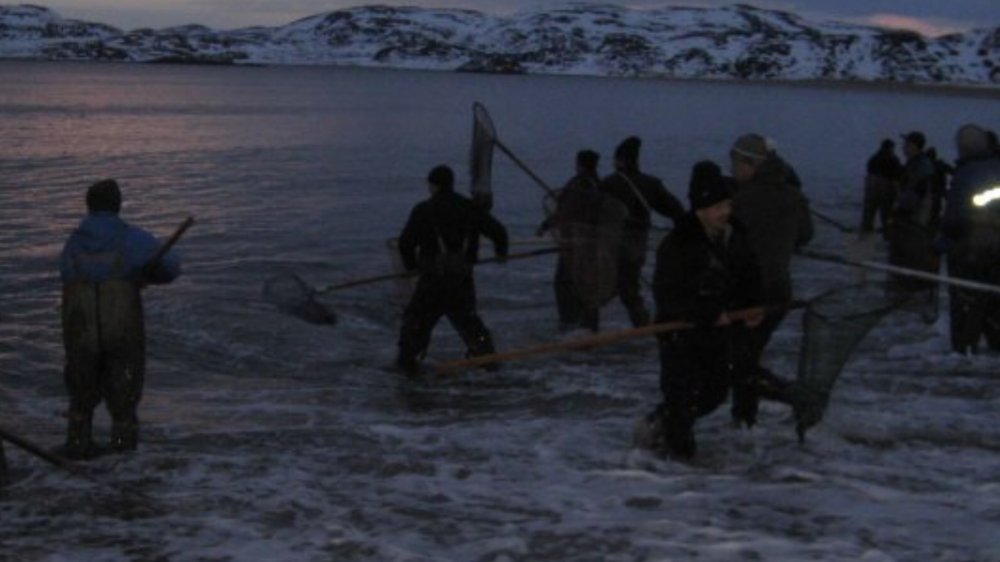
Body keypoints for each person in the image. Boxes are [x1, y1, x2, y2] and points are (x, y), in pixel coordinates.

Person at [635, 161, 763, 459]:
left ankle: (659, 424)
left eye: (727, 205)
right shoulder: (678, 244)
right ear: (701, 210)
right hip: (680, 332)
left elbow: (750, 276)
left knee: (714, 394)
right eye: (718, 207)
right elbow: (667, 295)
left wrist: (753, 306)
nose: (725, 212)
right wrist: (707, 313)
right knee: (681, 401)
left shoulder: (735, 236)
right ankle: (673, 470)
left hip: (717, 334)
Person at [60, 179, 182, 459]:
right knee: (124, 398)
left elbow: (66, 275)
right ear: (118, 205)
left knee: (80, 394)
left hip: (80, 325)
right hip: (121, 323)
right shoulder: (132, 238)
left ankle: (77, 448)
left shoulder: (72, 243)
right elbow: (172, 268)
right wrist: (148, 274)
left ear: (88, 206)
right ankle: (123, 459)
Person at [728, 133, 814, 426]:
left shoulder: (740, 200)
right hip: (779, 292)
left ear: (750, 164)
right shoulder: (794, 195)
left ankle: (790, 396)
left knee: (736, 361)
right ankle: (745, 421)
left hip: (746, 292)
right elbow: (806, 235)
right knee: (746, 356)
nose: (731, 169)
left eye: (734, 162)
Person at [396, 165, 509, 375]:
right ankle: (489, 363)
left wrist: (412, 268)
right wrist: (501, 254)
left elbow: (405, 244)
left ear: (432, 185)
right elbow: (499, 232)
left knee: (415, 325)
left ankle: (406, 367)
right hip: (461, 281)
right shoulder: (471, 208)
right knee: (471, 325)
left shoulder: (423, 209)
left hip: (431, 283)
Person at [598, 136, 684, 327]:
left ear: (620, 160)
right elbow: (676, 211)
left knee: (603, 290)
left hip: (611, 247)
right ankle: (642, 329)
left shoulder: (608, 184)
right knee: (627, 287)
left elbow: (591, 215)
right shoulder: (651, 184)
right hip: (637, 246)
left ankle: (588, 332)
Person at [537, 150, 627, 332]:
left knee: (565, 283)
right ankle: (590, 326)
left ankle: (570, 324)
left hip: (574, 245)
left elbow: (564, 212)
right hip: (594, 246)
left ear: (579, 164)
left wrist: (545, 226)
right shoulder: (599, 185)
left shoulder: (578, 185)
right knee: (589, 285)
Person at [937, 124, 1000, 355]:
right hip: (995, 250)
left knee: (965, 302)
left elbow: (955, 218)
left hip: (970, 251)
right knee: (993, 302)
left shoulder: (966, 175)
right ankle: (994, 345)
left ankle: (963, 348)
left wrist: (940, 244)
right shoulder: (996, 168)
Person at [860, 139, 904, 236]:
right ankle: (887, 234)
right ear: (891, 148)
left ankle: (865, 233)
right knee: (886, 213)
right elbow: (897, 175)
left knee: (868, 213)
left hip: (871, 186)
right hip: (885, 187)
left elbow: (869, 171)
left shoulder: (873, 158)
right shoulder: (893, 159)